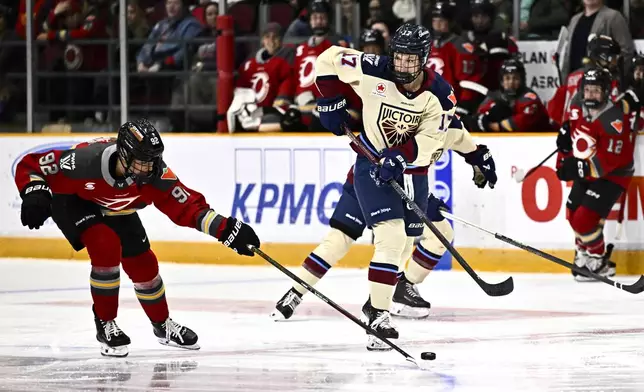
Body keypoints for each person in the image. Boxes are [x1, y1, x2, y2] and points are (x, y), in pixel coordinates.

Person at [309, 22, 498, 350]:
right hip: (370, 162)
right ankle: (377, 315)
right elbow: (327, 60)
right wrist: (330, 103)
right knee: (391, 235)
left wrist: (475, 155)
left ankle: (397, 290)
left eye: (411, 59)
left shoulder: (440, 95)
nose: (402, 65)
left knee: (414, 236)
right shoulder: (373, 67)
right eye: (398, 57)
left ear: (424, 59)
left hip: (412, 172)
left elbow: (433, 138)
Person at [14, 119, 260, 357]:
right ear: (123, 155)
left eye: (153, 161)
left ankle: (162, 325)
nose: (148, 168)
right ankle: (105, 322)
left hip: (114, 205)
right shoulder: (84, 161)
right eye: (142, 161)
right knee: (105, 245)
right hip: (73, 202)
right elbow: (30, 164)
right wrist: (34, 192)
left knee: (144, 264)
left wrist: (226, 230)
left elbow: (188, 207)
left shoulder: (155, 174)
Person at [271, 118, 492, 322]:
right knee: (340, 240)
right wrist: (426, 199)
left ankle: (397, 290)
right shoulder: (409, 116)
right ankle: (295, 292)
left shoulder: (449, 126)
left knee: (426, 237)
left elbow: (469, 147)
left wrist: (480, 161)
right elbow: (395, 158)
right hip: (369, 181)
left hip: (405, 190)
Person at [555, 68, 640, 281]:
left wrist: (576, 168)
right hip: (589, 169)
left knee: (584, 221)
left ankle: (598, 260)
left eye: (596, 91)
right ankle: (584, 254)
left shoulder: (614, 119)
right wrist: (564, 139)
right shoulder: (577, 106)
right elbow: (573, 133)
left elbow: (607, 163)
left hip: (614, 174)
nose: (591, 95)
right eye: (588, 90)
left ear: (606, 93)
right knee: (571, 212)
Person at [467, 58, 553, 132]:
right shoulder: (494, 97)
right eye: (507, 78)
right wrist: (480, 120)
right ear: (502, 81)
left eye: (515, 78)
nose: (511, 82)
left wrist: (493, 126)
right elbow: (480, 115)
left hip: (541, 141)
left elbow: (524, 122)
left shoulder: (529, 97)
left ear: (522, 80)